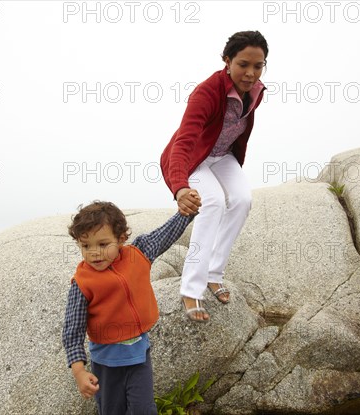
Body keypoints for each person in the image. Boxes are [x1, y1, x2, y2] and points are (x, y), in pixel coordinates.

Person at [160, 30, 268, 322]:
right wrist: (181, 187)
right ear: (227, 61)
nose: (250, 73)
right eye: (243, 64)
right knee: (213, 202)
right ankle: (191, 289)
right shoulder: (207, 92)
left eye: (258, 66)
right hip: (194, 156)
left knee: (243, 200)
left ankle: (213, 272)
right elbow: (184, 142)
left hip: (222, 156)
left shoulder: (255, 92)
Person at [62, 200, 197, 414]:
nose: (94, 253)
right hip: (105, 364)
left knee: (144, 410)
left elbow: (164, 235)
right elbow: (73, 329)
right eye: (86, 246)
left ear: (121, 239)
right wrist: (79, 371)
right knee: (111, 410)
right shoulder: (82, 283)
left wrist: (186, 213)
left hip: (139, 356)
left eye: (103, 244)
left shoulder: (138, 254)